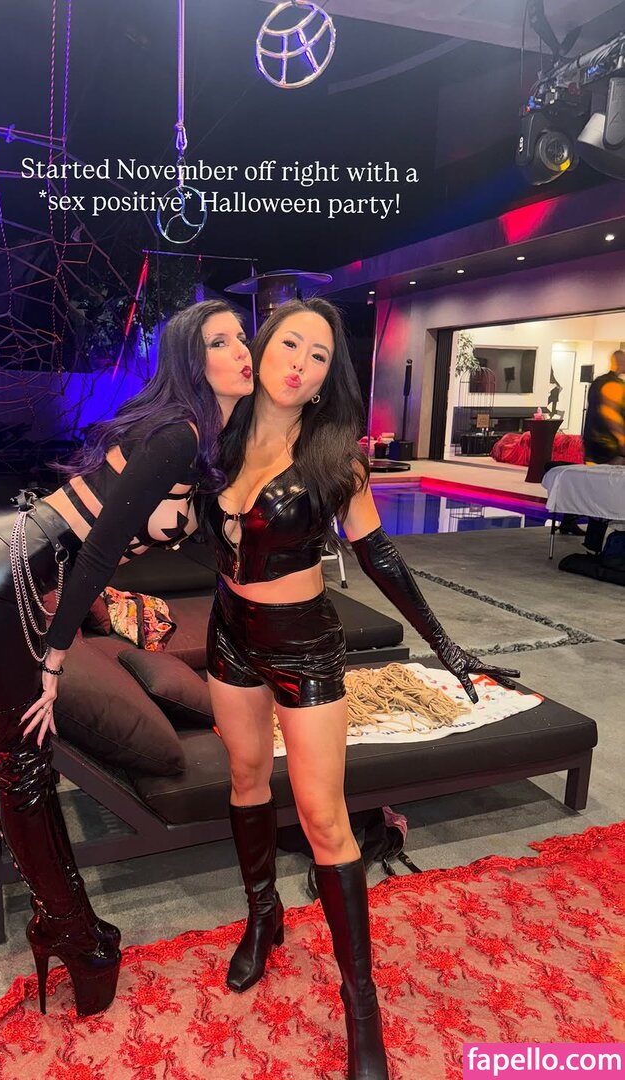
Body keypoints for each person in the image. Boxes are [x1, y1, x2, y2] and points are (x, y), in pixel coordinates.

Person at [203, 298, 518, 1080]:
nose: (299, 363)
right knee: (245, 779)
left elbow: (380, 556)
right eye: (290, 344)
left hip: (304, 644)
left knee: (324, 818)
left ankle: (360, 1003)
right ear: (262, 348)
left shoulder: (334, 455)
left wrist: (444, 642)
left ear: (326, 378)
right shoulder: (222, 432)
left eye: (318, 356)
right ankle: (264, 918)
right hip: (228, 632)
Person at [0, 300, 253, 1017]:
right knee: (21, 759)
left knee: (24, 756)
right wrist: (53, 660)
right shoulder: (177, 432)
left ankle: (71, 928)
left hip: (1, 556)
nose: (241, 350)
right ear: (191, 361)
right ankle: (73, 934)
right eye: (220, 341)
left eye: (241, 337)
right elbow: (98, 552)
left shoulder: (202, 439)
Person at [581, 348, 625, 551]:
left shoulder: (598, 382)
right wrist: (622, 443)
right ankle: (611, 544)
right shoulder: (614, 385)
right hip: (610, 449)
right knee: (610, 494)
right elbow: (611, 417)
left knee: (598, 493)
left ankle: (593, 542)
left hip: (593, 446)